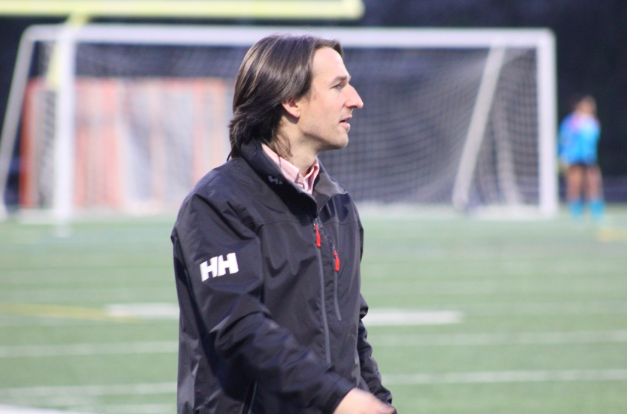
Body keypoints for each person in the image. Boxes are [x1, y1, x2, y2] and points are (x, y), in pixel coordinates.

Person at [171, 34, 396, 414]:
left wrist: (379, 403)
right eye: (338, 85)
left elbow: (351, 336)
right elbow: (240, 330)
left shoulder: (338, 205)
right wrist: (336, 398)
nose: (355, 99)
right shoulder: (217, 203)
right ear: (291, 100)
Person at [558, 95, 604, 221]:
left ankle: (597, 214)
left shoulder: (592, 121)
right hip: (573, 158)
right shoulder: (572, 121)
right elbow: (564, 139)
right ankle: (576, 215)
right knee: (574, 185)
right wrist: (563, 156)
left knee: (594, 183)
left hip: (589, 158)